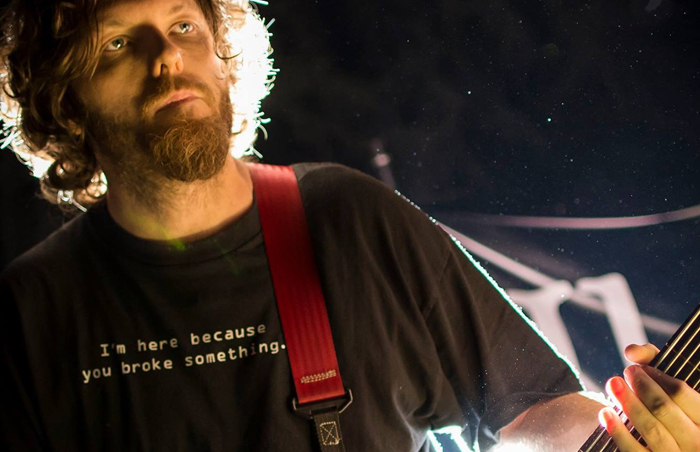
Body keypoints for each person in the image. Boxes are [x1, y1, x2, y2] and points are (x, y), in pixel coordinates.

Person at [0, 0, 698, 451]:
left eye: (184, 26)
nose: (167, 57)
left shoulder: (349, 218)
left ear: (220, 55)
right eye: (119, 43)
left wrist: (639, 432)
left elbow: (535, 414)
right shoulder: (31, 312)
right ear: (65, 103)